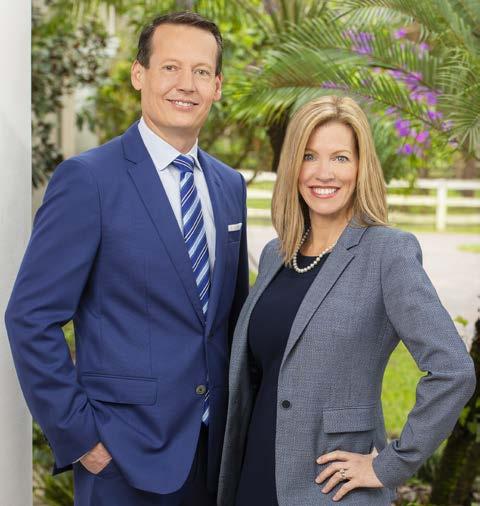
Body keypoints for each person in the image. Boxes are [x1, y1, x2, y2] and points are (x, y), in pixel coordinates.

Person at [5, 11, 248, 506]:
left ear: (217, 86)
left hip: (212, 457)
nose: (187, 84)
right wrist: (83, 440)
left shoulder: (229, 186)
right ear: (140, 74)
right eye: (170, 67)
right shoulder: (88, 180)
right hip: (122, 459)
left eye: (202, 71)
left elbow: (231, 321)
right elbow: (30, 317)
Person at [218, 95, 476, 505]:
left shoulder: (387, 253)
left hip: (331, 490)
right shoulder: (275, 255)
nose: (324, 172)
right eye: (309, 156)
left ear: (360, 167)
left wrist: (390, 465)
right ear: (293, 165)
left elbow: (453, 370)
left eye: (340, 158)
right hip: (253, 477)